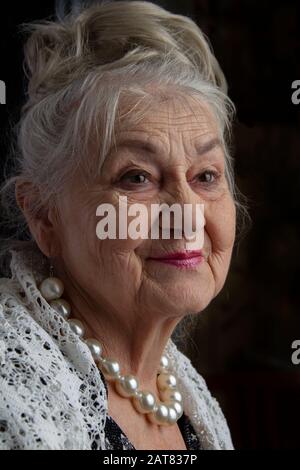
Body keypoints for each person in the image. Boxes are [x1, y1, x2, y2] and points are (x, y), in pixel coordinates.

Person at [0, 0, 246, 450]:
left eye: (205, 176)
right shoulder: (11, 395)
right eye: (138, 178)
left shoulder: (183, 393)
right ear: (43, 214)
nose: (187, 215)